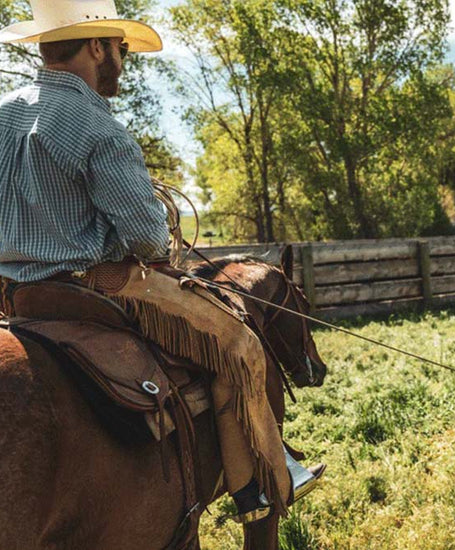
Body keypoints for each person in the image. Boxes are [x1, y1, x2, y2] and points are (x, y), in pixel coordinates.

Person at [0, 0, 322, 523]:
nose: (123, 59)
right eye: (120, 47)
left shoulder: (4, 112)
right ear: (96, 46)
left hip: (15, 294)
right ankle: (257, 485)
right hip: (96, 287)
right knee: (238, 342)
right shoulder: (96, 125)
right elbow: (149, 240)